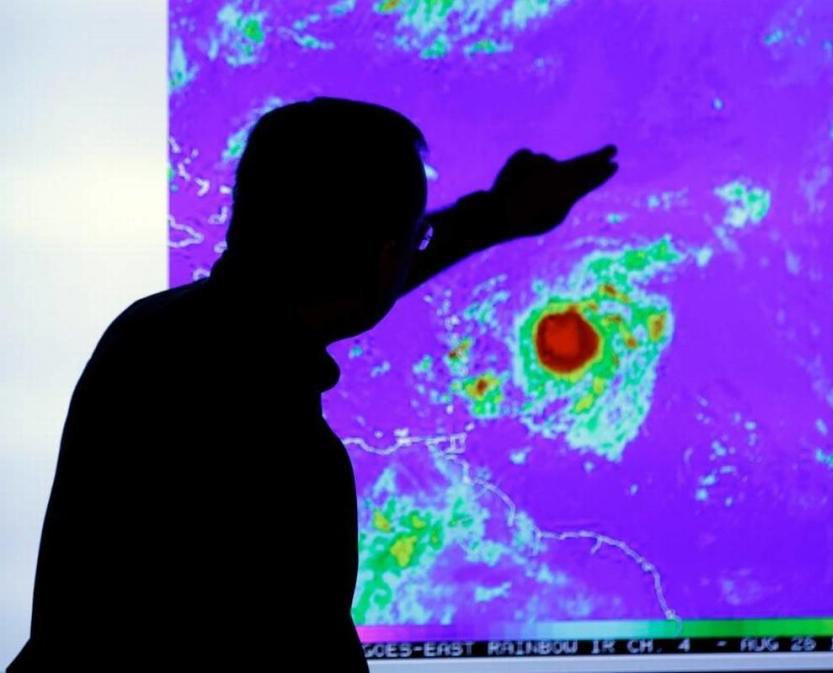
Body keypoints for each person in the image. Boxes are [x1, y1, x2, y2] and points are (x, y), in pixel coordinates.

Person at [7, 97, 618, 672]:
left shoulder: (148, 336)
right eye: (408, 240)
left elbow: (326, 276)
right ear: (382, 259)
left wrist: (496, 215)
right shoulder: (287, 458)